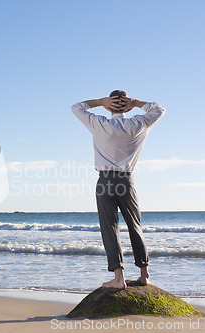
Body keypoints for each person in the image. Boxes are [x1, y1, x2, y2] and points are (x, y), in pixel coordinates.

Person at [71, 90, 165, 289]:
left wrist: (99, 101)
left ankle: (119, 278)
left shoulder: (100, 123)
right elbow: (158, 110)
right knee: (135, 225)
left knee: (110, 228)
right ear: (128, 107)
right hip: (126, 180)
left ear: (108, 106)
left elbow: (76, 107)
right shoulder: (138, 123)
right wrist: (137, 102)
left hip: (105, 181)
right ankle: (144, 274)